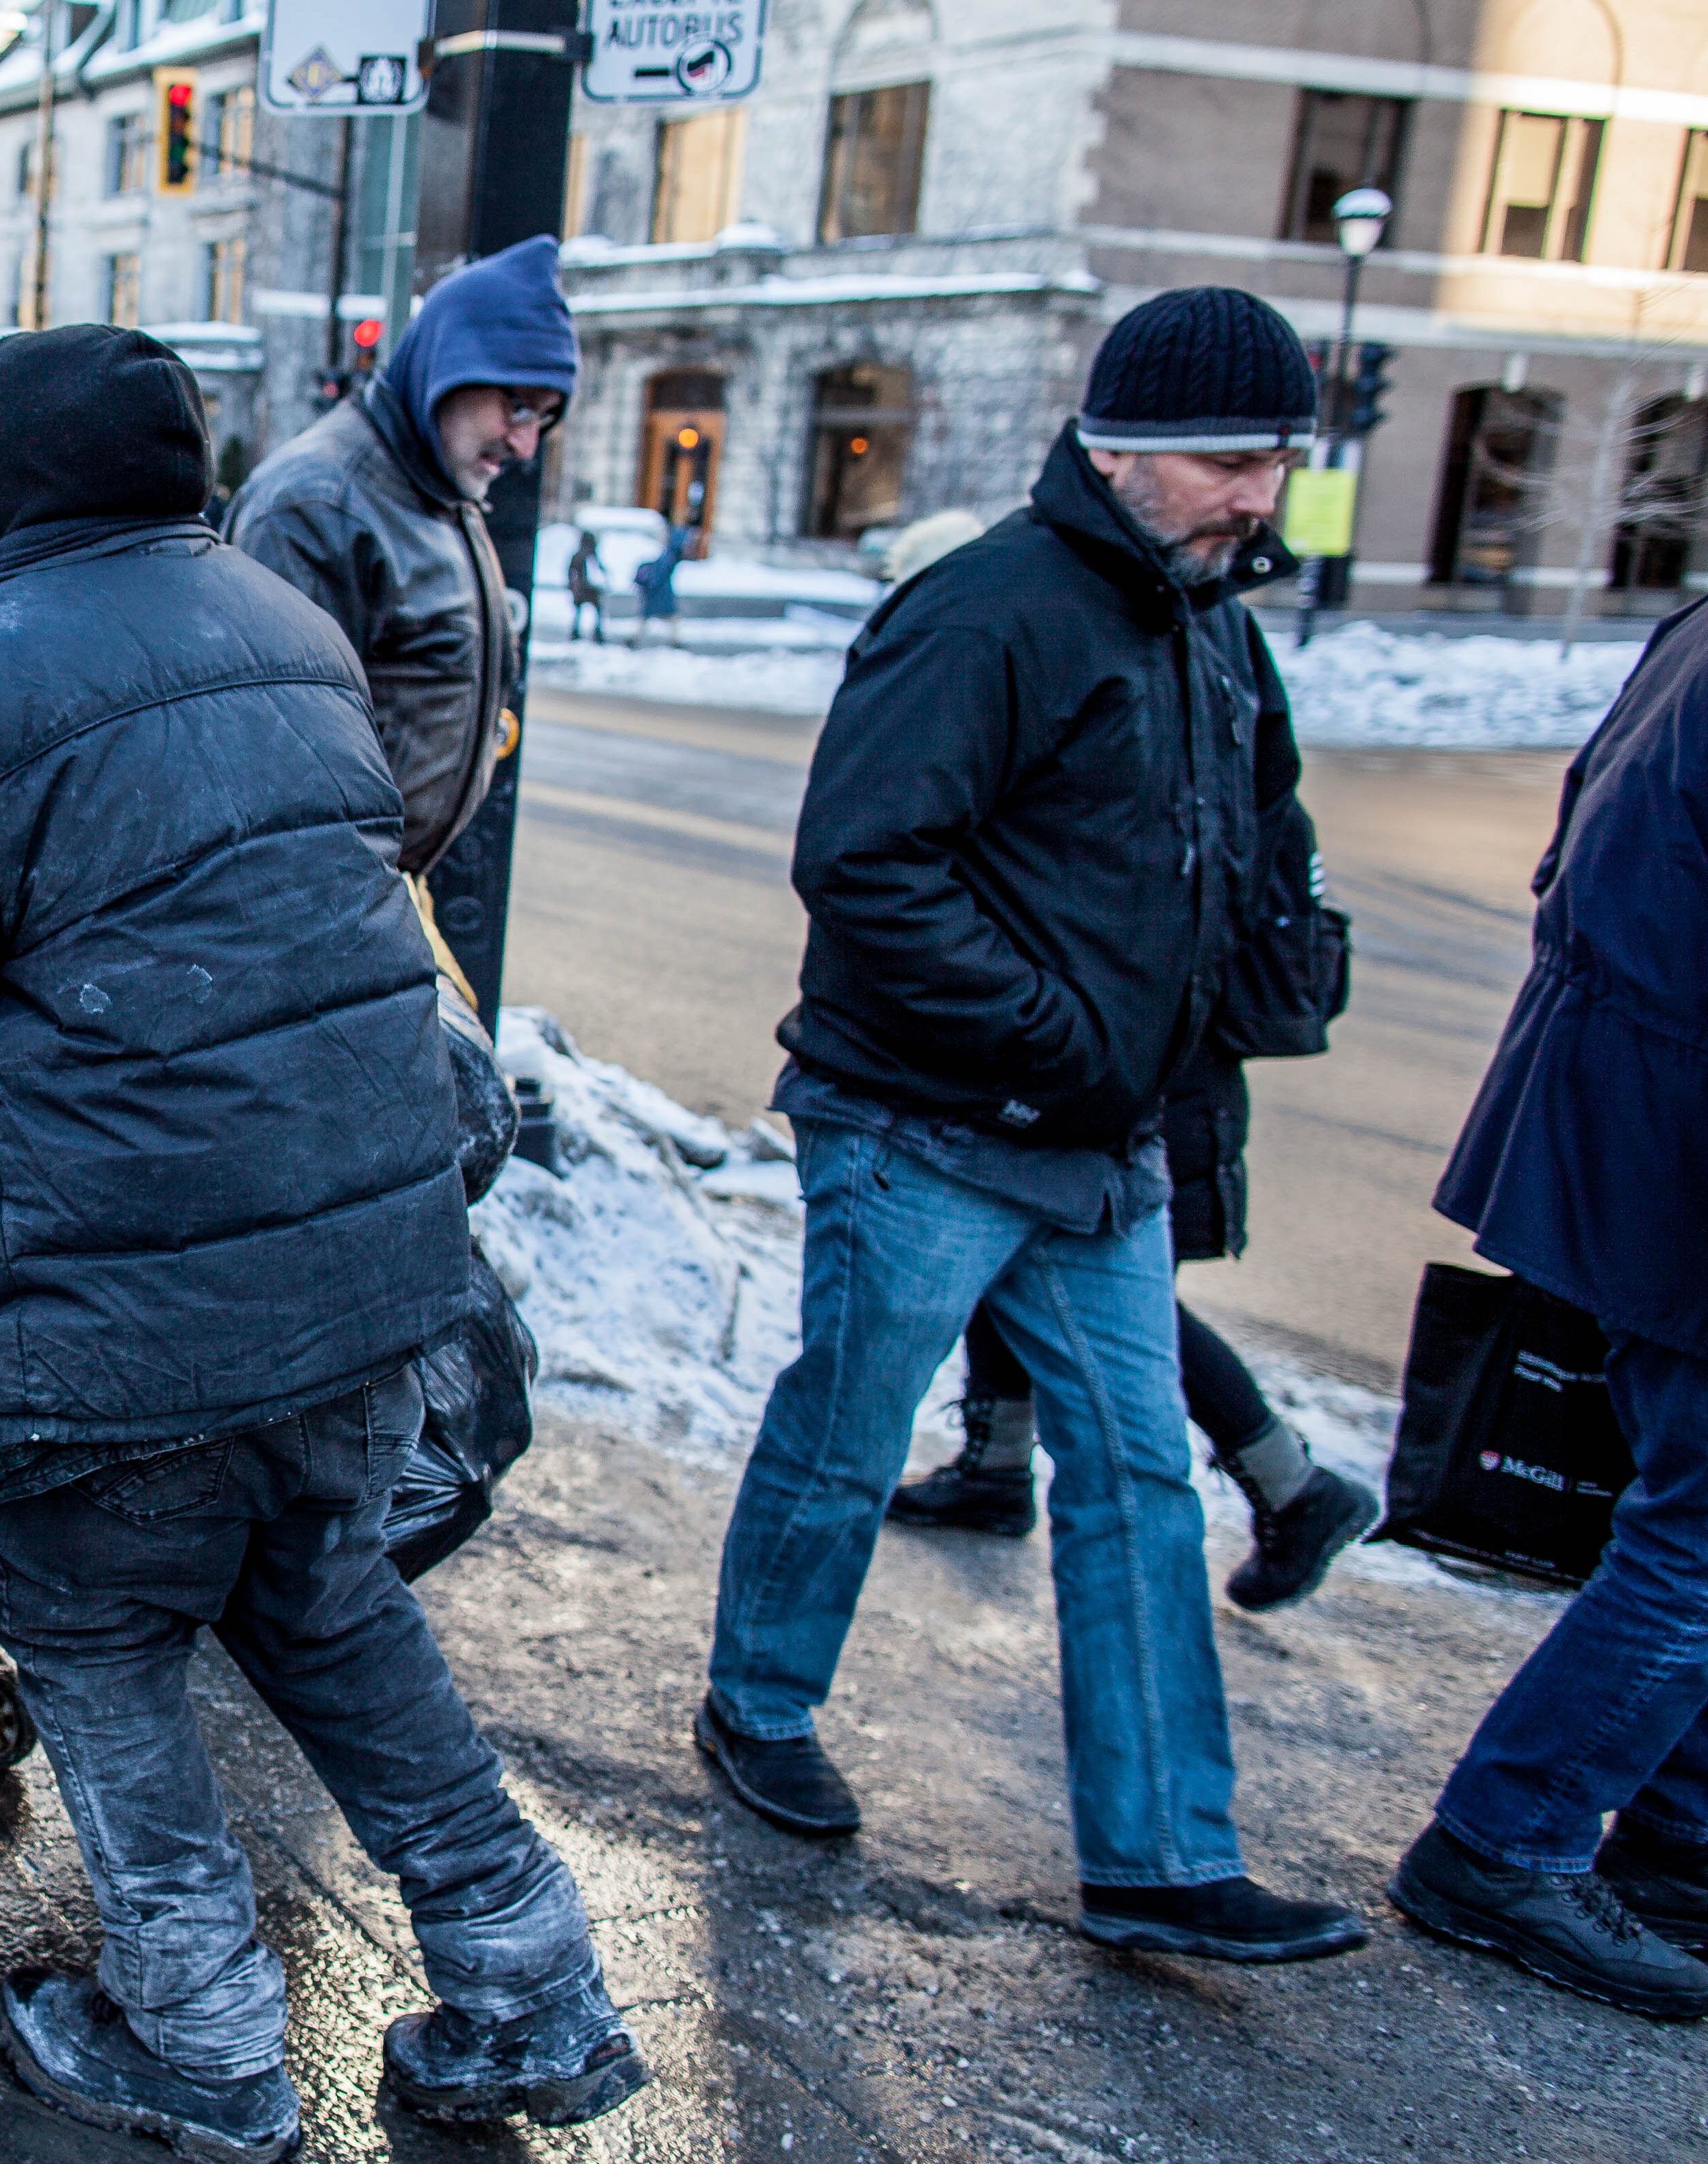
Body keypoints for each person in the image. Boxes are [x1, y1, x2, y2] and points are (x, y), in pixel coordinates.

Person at [0, 326, 646, 2156]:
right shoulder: (291, 629)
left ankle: (202, 2031)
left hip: (112, 1296)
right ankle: (536, 1981)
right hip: (373, 1272)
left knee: (102, 1624)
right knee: (328, 1595)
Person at [694, 288, 1367, 1965]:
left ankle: (1158, 1854)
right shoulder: (988, 609)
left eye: (1277, 460)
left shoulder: (1210, 617)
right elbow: (864, 863)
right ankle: (754, 1702)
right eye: (1224, 460)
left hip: (1100, 1144)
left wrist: (1261, 964)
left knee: (1141, 1477)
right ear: (1117, 444)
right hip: (923, 1125)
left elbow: (1247, 826)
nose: (1255, 495)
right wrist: (1055, 1036)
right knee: (849, 1428)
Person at [1387, 601, 1708, 2019]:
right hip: (1670, 1129)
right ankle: (1507, 1838)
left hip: (1623, 1111)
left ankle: (1676, 1840)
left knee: (1687, 1496)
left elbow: (1574, 835)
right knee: (1700, 1530)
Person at [888, 1035, 1386, 1615]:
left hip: (1140, 1081)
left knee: (1107, 1298)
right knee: (1008, 1228)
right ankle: (994, 1465)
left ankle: (1294, 1488)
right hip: (1130, 1073)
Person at [227, 235, 566, 911]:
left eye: (546, 417)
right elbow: (272, 774)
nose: (527, 443)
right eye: (518, 406)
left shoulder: (438, 486)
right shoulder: (319, 504)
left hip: (380, 895)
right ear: (450, 371)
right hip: (326, 910)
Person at [631, 522, 692, 646]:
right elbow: (659, 574)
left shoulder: (669, 554)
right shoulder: (670, 556)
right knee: (673, 618)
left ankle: (634, 639)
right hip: (661, 593)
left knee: (646, 618)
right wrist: (652, 586)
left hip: (658, 593)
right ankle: (675, 641)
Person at [564, 519, 607, 645]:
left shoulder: (578, 555)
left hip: (581, 590)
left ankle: (575, 632)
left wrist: (572, 586)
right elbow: (600, 569)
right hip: (591, 589)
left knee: (579, 612)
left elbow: (570, 571)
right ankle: (597, 633)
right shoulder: (591, 554)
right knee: (597, 610)